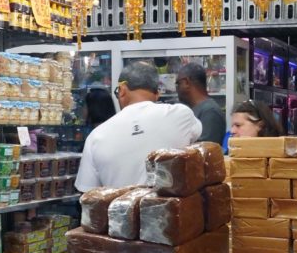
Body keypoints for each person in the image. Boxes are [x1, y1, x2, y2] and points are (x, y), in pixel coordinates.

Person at [75, 62, 202, 191]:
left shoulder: (96, 136)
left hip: (118, 204)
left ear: (122, 90)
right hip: (174, 204)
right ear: (157, 93)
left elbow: (88, 193)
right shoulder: (181, 115)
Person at [176, 62, 226, 145]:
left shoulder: (210, 111)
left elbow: (206, 149)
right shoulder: (196, 109)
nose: (176, 89)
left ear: (186, 82)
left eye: (178, 84)